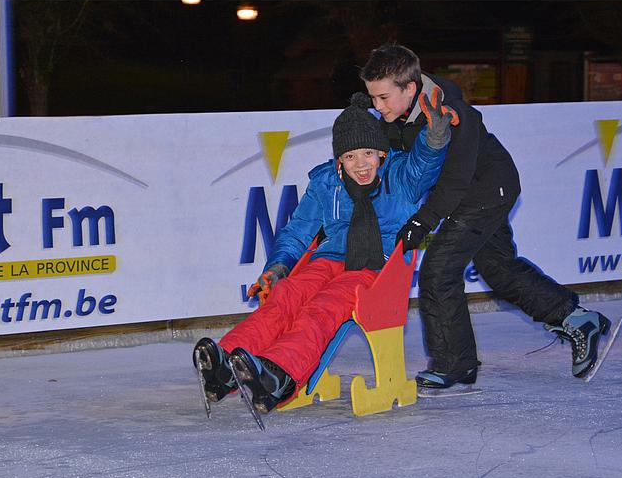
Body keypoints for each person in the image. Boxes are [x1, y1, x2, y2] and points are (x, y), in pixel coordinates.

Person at [359, 44, 612, 390]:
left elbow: (456, 179)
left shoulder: (454, 114)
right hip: (467, 193)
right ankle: (578, 319)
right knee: (499, 269)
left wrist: (424, 220)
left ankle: (454, 363)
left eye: (383, 98)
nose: (378, 106)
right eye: (372, 98)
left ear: (410, 88)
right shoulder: (400, 114)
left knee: (439, 270)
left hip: (486, 189)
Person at [193, 91, 452, 414]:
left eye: (369, 153)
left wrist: (436, 136)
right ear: (339, 160)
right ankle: (225, 363)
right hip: (329, 259)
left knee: (324, 305)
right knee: (287, 294)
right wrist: (278, 268)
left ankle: (280, 374)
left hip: (376, 268)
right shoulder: (326, 183)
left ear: (382, 154)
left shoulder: (400, 178)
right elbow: (299, 230)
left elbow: (425, 163)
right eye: (351, 157)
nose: (362, 165)